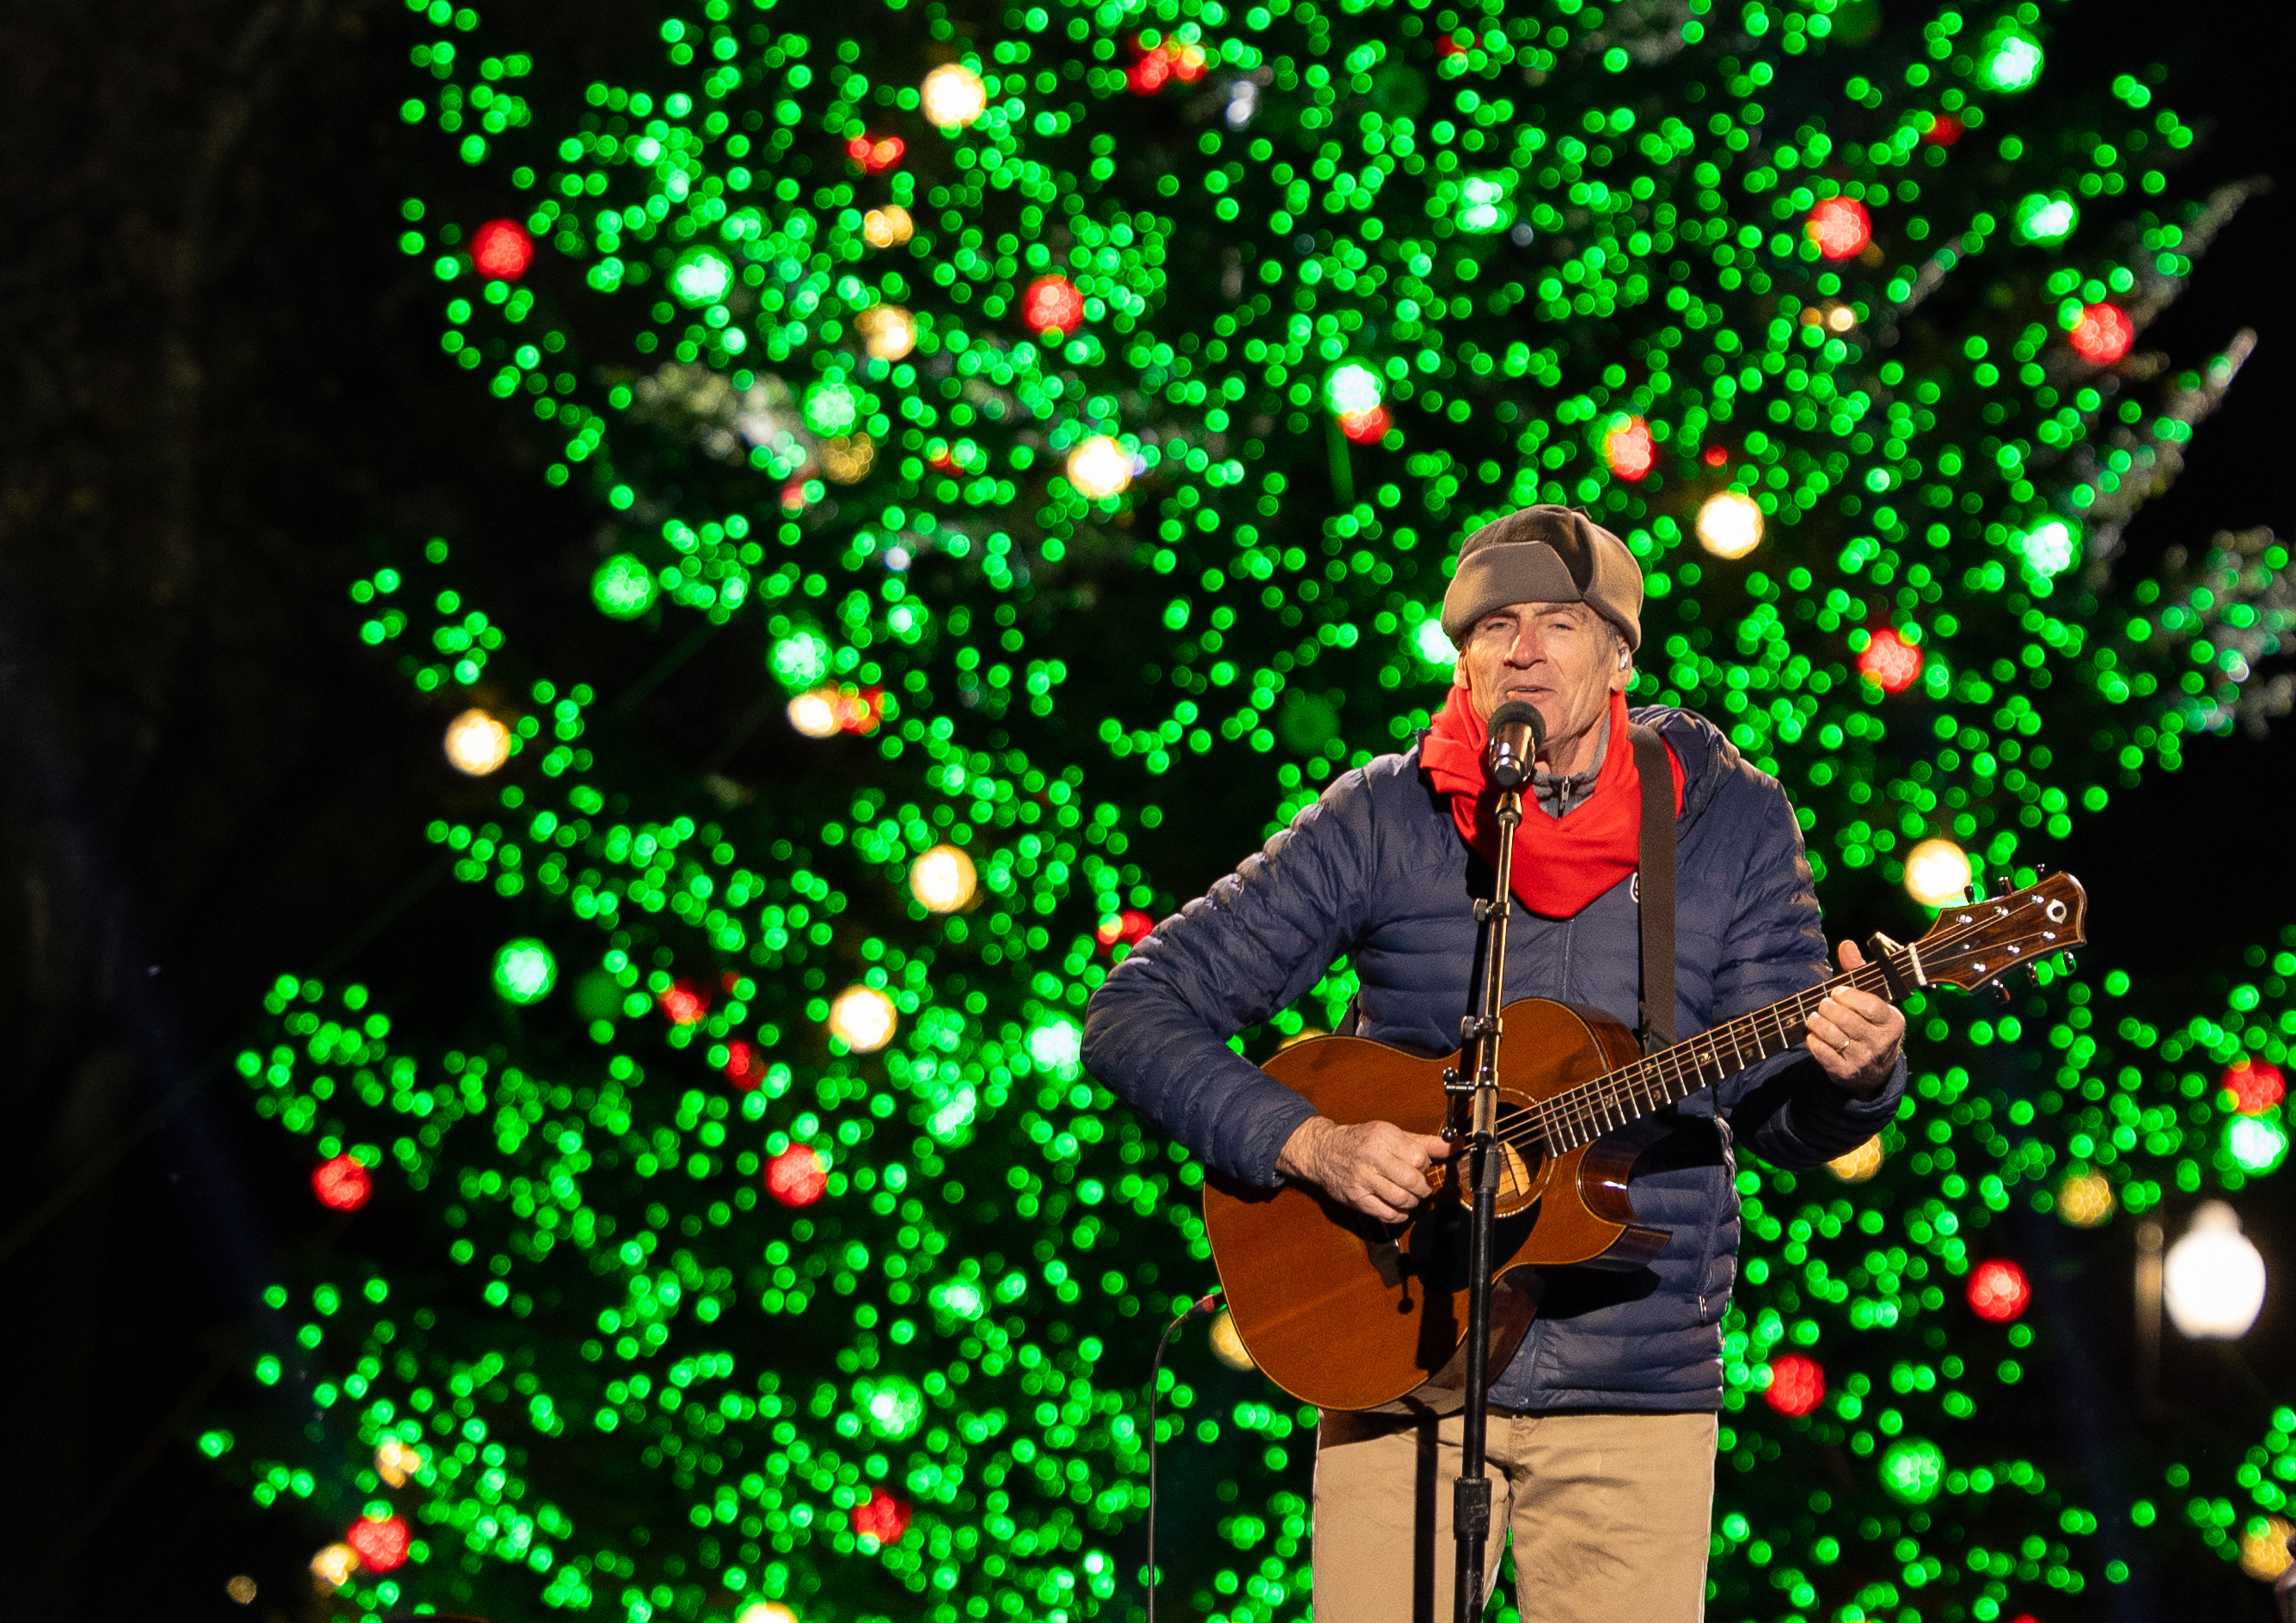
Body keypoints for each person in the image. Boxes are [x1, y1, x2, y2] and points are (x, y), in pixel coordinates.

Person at [1081, 504, 1908, 1623]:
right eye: (1493, 627)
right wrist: (1311, 1142)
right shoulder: (1387, 813)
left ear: (1619, 653)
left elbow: (1778, 1119)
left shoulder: (1727, 821)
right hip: (1399, 1354)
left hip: (1637, 1381)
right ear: (1462, 658)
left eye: (1560, 623)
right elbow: (1139, 1007)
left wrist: (1854, 1076)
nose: (1523, 650)